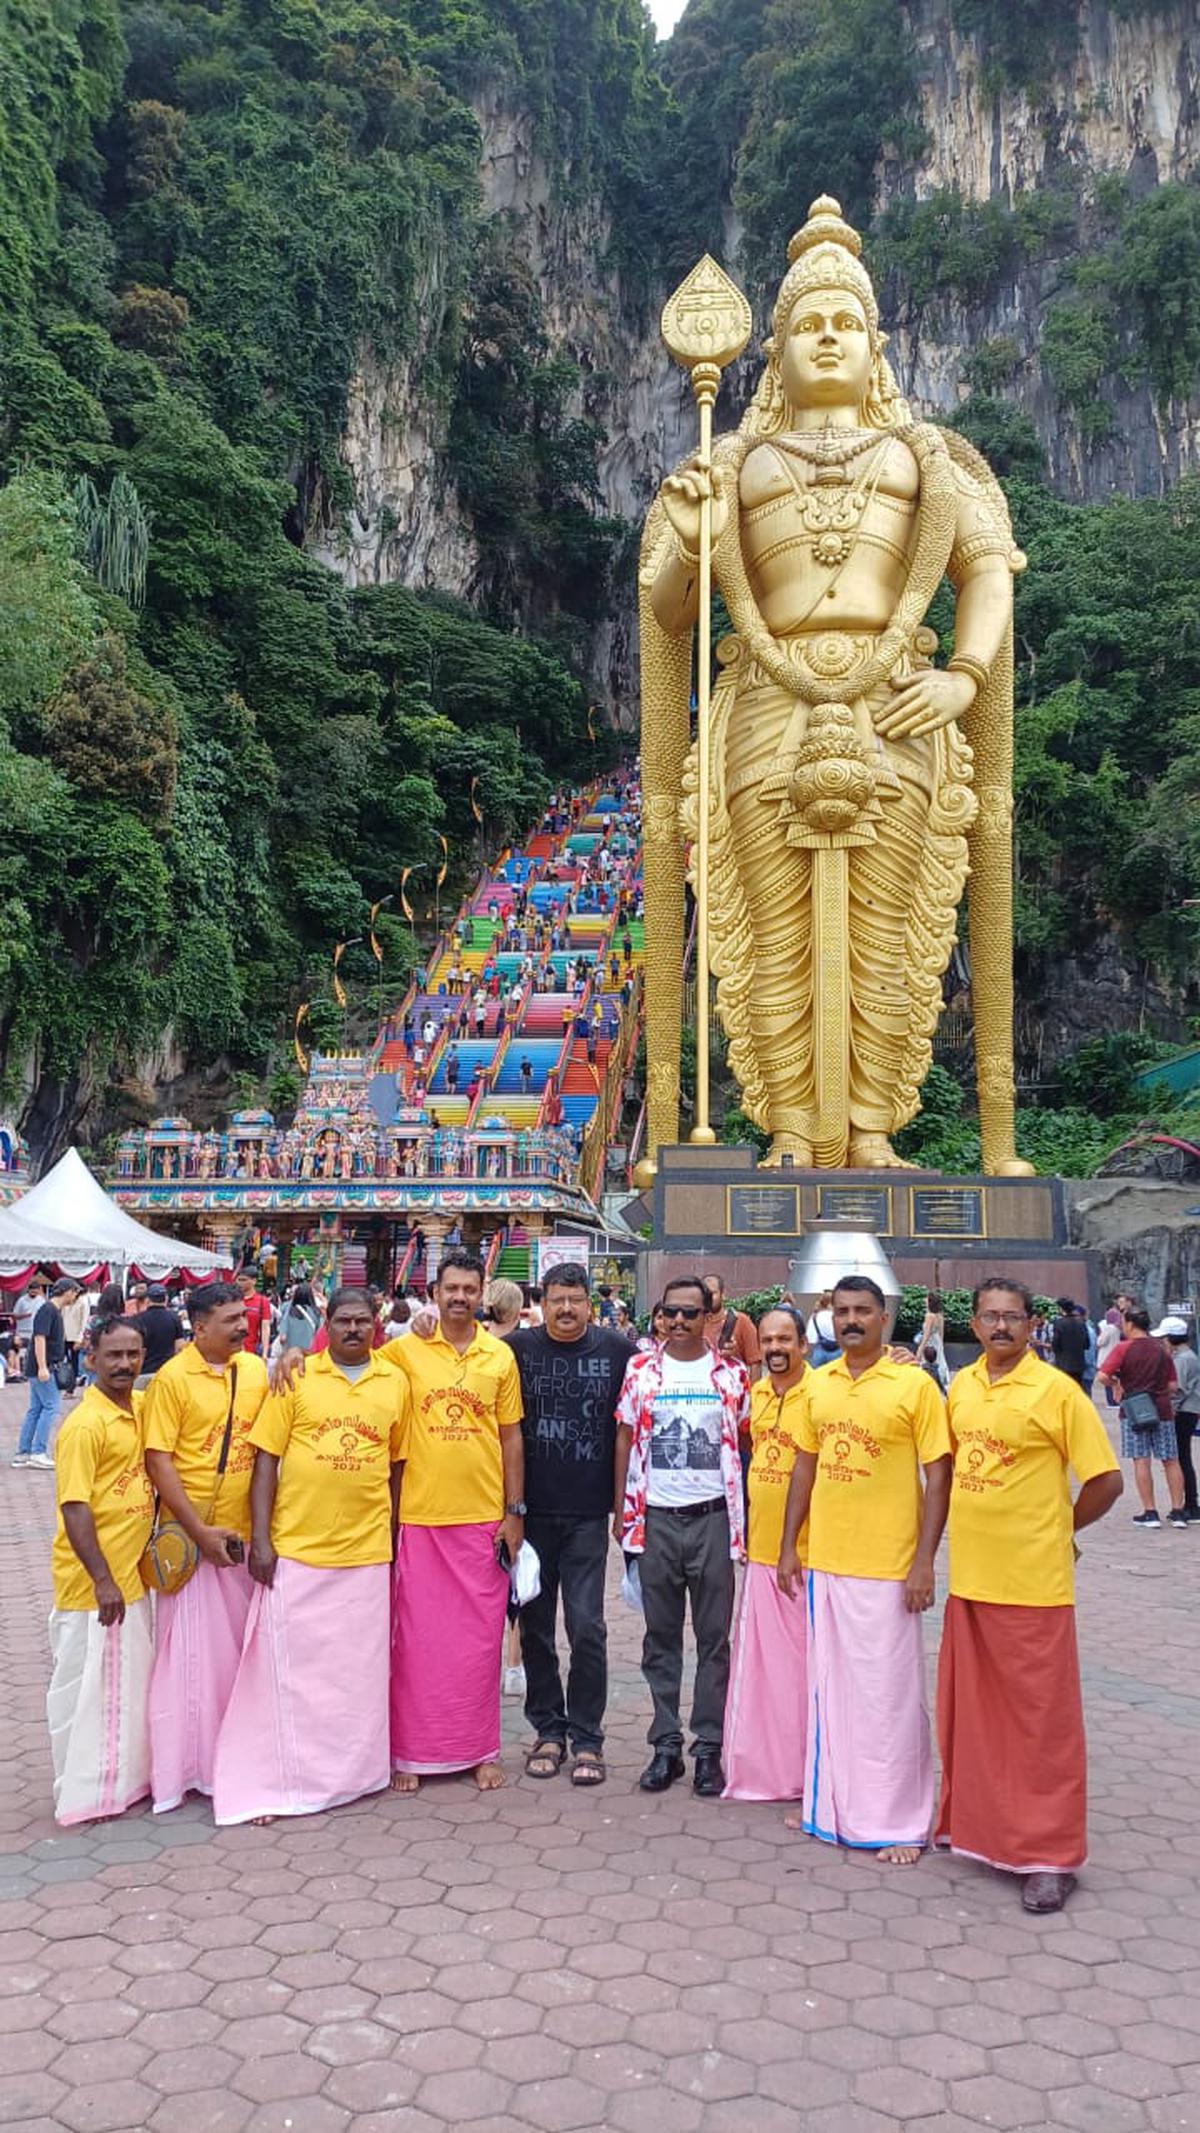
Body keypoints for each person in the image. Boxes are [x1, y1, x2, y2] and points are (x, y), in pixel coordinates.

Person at [935, 1278, 1122, 1912]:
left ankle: (1049, 1854)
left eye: (1012, 1317)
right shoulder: (961, 1385)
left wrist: (1059, 1527)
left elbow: (1105, 1480)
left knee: (1042, 1725)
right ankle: (976, 1828)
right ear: (977, 1323)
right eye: (989, 1317)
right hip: (972, 1577)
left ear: (1031, 1323)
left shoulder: (1057, 1392)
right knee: (976, 1714)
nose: (1000, 1328)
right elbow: (954, 1464)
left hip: (1035, 1583)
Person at [211, 1289, 407, 1825]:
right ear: (327, 1322)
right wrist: (263, 1539)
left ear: (376, 1323)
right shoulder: (294, 1377)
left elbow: (396, 1467)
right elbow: (266, 1460)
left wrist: (391, 1537)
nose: (352, 1330)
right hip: (297, 1548)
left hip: (366, 1553)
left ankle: (355, 1776)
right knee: (285, 1676)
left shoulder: (394, 1382)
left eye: (362, 1321)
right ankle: (277, 1781)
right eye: (342, 1320)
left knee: (356, 1677)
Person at [778, 1274, 951, 1864]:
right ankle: (830, 1808)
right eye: (842, 1310)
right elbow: (804, 1467)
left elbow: (939, 1475)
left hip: (890, 1565)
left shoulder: (914, 1385)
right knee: (832, 1692)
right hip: (827, 1559)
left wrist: (924, 1560)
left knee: (890, 1696)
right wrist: (788, 1546)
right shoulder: (817, 1385)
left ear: (884, 1318)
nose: (851, 1320)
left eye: (863, 1311)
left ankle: (900, 1821)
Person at [374, 1250, 523, 1792]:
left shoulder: (498, 1358)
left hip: (482, 1518)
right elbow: (355, 1378)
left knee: (479, 1644)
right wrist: (290, 1360)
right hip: (418, 1515)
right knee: (414, 1643)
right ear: (434, 1292)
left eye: (469, 1289)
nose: (459, 1297)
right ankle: (410, 1753)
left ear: (482, 1294)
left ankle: (481, 1749)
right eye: (450, 1289)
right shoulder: (401, 1353)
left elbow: (511, 1437)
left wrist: (514, 1512)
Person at [615, 1274, 749, 1797]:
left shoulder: (732, 1376)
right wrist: (620, 1511)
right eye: (668, 1313)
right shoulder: (641, 1371)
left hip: (713, 1519)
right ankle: (664, 1745)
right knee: (660, 1638)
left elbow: (746, 1441)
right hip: (657, 1519)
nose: (677, 1322)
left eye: (689, 1314)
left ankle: (709, 1747)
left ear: (708, 1316)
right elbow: (624, 1438)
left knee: (714, 1640)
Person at [143, 1281, 269, 1811]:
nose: (243, 1326)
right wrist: (199, 1532)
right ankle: (193, 1768)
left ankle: (238, 1759)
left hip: (242, 1541)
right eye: (231, 1320)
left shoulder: (257, 1371)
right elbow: (158, 1460)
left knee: (240, 1662)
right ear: (198, 1328)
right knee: (192, 1669)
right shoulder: (172, 1380)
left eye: (244, 1317)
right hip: (193, 1547)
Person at [508, 1264, 631, 1788]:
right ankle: (548, 1730)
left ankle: (587, 1737)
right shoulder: (514, 1350)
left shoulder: (619, 1352)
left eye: (575, 1300)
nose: (566, 1310)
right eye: (557, 1300)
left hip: (586, 1514)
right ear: (543, 1301)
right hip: (529, 1515)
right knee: (534, 1627)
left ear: (589, 1304)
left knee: (588, 1628)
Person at [46, 1315, 155, 1825]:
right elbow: (74, 1507)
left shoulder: (135, 1409)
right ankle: (78, 1793)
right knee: (82, 1692)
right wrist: (102, 1578)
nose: (124, 1364)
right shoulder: (84, 1425)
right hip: (92, 1587)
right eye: (113, 1355)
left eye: (133, 1354)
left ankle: (119, 1785)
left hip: (129, 1580)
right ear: (89, 1358)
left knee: (122, 1691)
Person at [723, 1306, 810, 1806]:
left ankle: (806, 1770)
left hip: (805, 1556)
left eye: (786, 1340)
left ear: (803, 1343)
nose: (776, 1349)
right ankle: (769, 1769)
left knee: (801, 1671)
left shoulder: (820, 1394)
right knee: (763, 1671)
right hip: (759, 1549)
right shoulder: (754, 1395)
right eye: (770, 1341)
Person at [1097, 1305, 1185, 1529]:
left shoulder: (1123, 1349)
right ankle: (1177, 1511)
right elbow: (1173, 1385)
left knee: (1141, 1460)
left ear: (1129, 1325)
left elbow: (1102, 1375)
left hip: (1134, 1411)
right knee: (1171, 1460)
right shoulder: (1161, 1350)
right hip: (1162, 1410)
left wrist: (1118, 1384)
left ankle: (1150, 1511)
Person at [13, 1278, 79, 1472]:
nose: (75, 1296)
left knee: (36, 1408)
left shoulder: (49, 1310)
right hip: (44, 1367)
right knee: (51, 1406)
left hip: (41, 1366)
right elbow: (39, 1338)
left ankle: (24, 1453)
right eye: (74, 1292)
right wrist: (43, 1366)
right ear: (67, 1291)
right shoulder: (48, 1310)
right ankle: (38, 1451)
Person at [1155, 1315, 1200, 1521]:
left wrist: (1169, 1411)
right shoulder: (1186, 1356)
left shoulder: (1183, 1359)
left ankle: (1190, 1504)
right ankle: (1190, 1502)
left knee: (1182, 1457)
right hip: (1188, 1410)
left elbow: (1178, 1390)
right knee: (1183, 1456)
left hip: (1184, 1411)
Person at [703, 1274, 761, 1379]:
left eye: (713, 1293)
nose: (709, 1298)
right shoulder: (695, 1324)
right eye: (705, 1294)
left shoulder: (741, 1321)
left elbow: (755, 1363)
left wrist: (752, 1394)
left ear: (723, 1294)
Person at [131, 1283, 185, 1377]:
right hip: (166, 1373)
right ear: (166, 1299)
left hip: (143, 1372)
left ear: (147, 1300)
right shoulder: (174, 1318)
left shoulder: (138, 1319)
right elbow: (179, 1347)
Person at [59, 1283, 91, 1392]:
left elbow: (84, 1321)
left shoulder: (83, 1302)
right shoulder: (66, 1302)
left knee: (74, 1363)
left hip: (75, 1336)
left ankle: (70, 1388)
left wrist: (79, 1338)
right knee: (62, 1361)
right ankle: (63, 1383)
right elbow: (62, 1318)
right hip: (64, 1336)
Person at [1050, 1297, 1088, 1386]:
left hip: (1063, 1364)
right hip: (1079, 1365)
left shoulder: (1059, 1323)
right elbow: (1086, 1344)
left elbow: (1055, 1345)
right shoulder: (1081, 1323)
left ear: (1061, 1309)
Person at [235, 1269, 272, 1359]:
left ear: (254, 1281)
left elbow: (265, 1328)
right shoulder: (233, 1299)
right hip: (233, 1350)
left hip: (251, 1351)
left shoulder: (262, 1301)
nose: (240, 1283)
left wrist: (265, 1352)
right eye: (239, 1280)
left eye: (244, 1280)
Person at [916, 1291, 949, 1391]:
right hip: (937, 1343)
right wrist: (941, 1347)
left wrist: (920, 1350)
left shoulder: (929, 1316)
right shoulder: (940, 1316)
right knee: (939, 1362)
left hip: (929, 1343)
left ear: (930, 1302)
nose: (924, 1300)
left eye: (926, 1299)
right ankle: (941, 1384)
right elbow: (941, 1334)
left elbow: (926, 1335)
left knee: (926, 1364)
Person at [278, 1282, 320, 1354]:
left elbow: (282, 1338)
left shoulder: (289, 1312)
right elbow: (319, 1334)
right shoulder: (316, 1312)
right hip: (310, 1354)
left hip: (291, 1355)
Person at [804, 1291, 839, 1369]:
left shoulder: (815, 1317)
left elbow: (811, 1338)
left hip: (819, 1351)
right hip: (837, 1351)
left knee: (817, 1377)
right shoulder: (838, 1317)